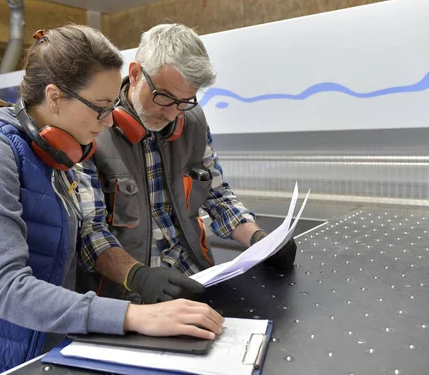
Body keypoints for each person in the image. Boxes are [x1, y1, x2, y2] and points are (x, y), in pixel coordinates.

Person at [0, 24, 223, 375]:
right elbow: (5, 288)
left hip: (35, 338)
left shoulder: (55, 150)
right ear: (55, 96)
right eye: (102, 108)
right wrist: (136, 316)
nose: (108, 123)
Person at [75, 23, 297, 304]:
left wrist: (260, 240)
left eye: (184, 101)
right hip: (128, 294)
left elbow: (218, 196)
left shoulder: (191, 121)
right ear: (134, 74)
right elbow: (90, 232)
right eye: (164, 97)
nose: (171, 113)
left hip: (195, 278)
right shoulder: (92, 131)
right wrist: (139, 276)